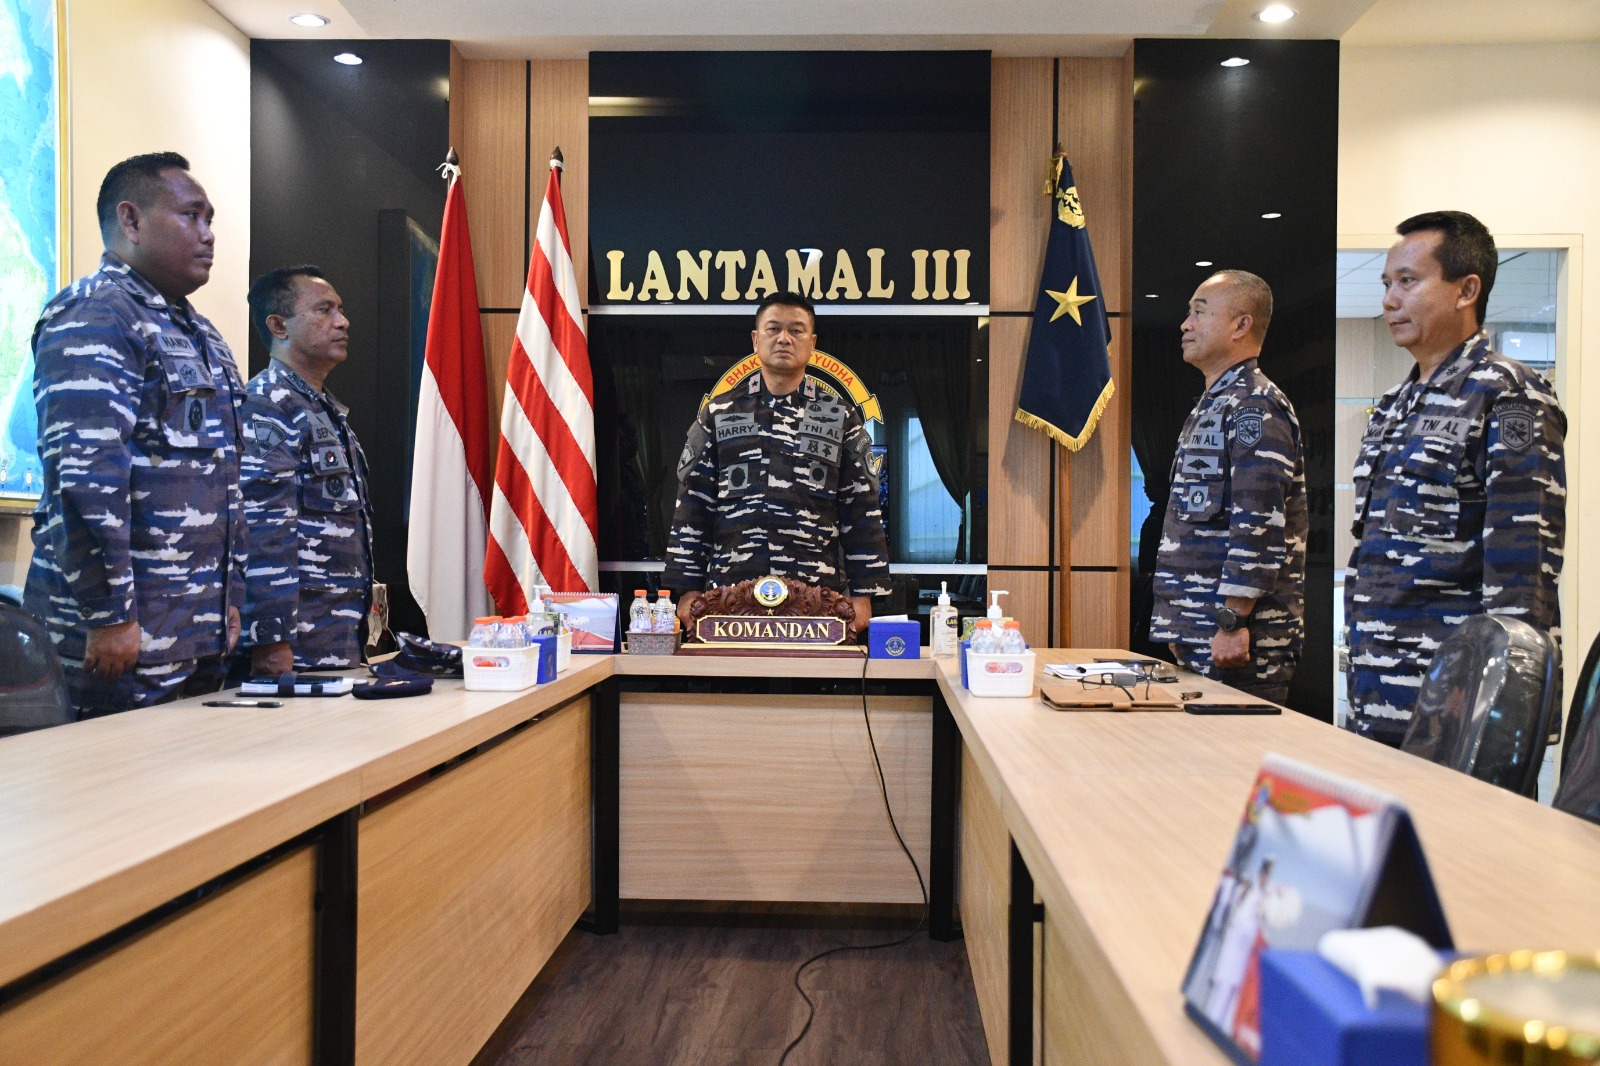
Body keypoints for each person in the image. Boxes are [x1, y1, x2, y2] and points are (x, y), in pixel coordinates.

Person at [25, 152, 245, 717]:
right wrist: (109, 614)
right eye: (191, 216)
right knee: (106, 774)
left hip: (195, 637)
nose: (208, 234)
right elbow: (83, 477)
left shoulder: (202, 335)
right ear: (131, 220)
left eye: (210, 219)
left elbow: (225, 482)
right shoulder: (97, 313)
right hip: (122, 643)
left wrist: (230, 601)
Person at [1345, 211, 1566, 747]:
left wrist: (1496, 696)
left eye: (1408, 281)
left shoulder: (1507, 393)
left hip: (1459, 696)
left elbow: (1523, 560)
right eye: (1386, 284)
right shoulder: (1395, 404)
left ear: (1467, 290)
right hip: (1379, 682)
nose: (1390, 300)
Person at [663, 291, 891, 629]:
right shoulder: (719, 413)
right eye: (773, 329)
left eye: (796, 330)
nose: (784, 338)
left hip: (816, 601)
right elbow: (693, 506)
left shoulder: (839, 416)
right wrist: (687, 591)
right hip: (729, 599)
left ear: (812, 343)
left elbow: (861, 512)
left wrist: (863, 597)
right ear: (756, 339)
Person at [1150, 270, 1307, 703]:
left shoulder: (1255, 404)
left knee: (1236, 747)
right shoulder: (1215, 403)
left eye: (1200, 313)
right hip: (1204, 630)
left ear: (1241, 326)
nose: (1185, 325)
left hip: (1241, 638)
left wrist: (1233, 620)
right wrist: (1185, 623)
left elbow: (1258, 520)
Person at [238, 266, 373, 674]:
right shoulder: (266, 404)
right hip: (294, 646)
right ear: (278, 326)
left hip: (334, 635)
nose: (342, 321)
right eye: (324, 310)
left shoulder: (323, 409)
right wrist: (270, 638)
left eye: (341, 310)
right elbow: (262, 528)